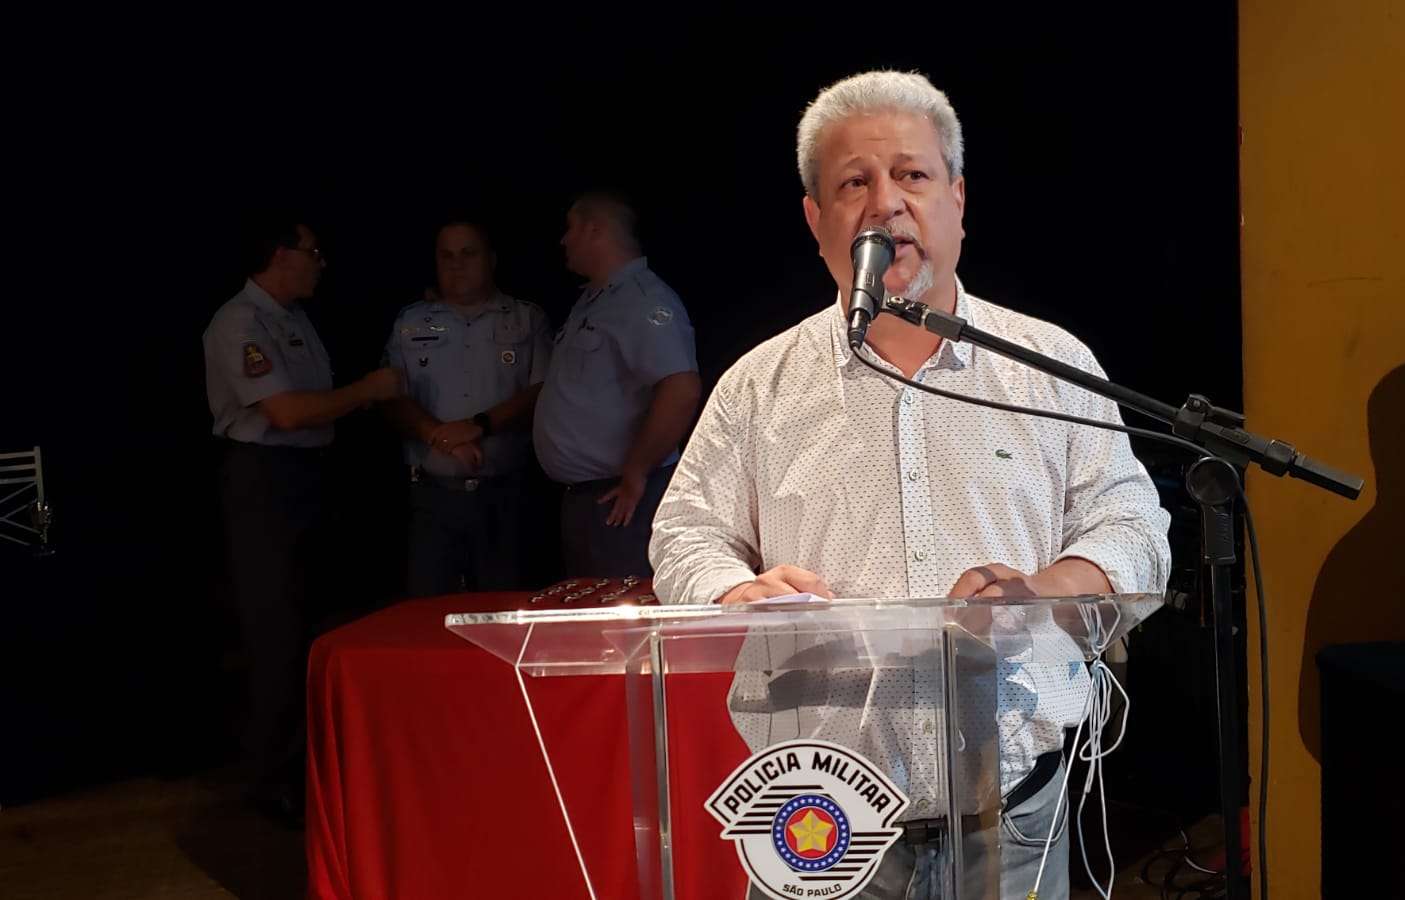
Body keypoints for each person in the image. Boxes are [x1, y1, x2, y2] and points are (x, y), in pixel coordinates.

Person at [647, 70, 1172, 898]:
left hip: (1011, 817)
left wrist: (1043, 591)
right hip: (817, 821)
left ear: (957, 200)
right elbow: (684, 532)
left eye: (912, 175)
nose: (885, 204)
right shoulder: (759, 385)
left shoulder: (1050, 365)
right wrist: (734, 591)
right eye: (853, 183)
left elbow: (1134, 527)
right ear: (816, 220)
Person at [202, 216, 402, 826]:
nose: (321, 262)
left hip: (306, 478)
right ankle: (273, 783)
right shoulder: (241, 322)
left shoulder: (294, 320)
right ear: (280, 254)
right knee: (277, 635)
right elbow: (286, 412)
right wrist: (367, 390)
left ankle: (306, 772)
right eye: (312, 251)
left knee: (310, 627)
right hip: (265, 481)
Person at [379, 219, 554, 597]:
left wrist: (480, 425)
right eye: (446, 256)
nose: (457, 265)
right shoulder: (410, 322)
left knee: (506, 609)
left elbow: (543, 393)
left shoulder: (527, 319)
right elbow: (391, 397)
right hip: (433, 497)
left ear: (491, 259)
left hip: (506, 494)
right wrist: (440, 437)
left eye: (468, 254)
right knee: (428, 612)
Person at [532, 190, 701, 578]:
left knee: (621, 610)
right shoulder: (593, 301)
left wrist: (636, 473)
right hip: (588, 498)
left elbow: (681, 388)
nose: (563, 240)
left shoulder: (643, 301)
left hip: (623, 499)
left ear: (595, 230)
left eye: (571, 228)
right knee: (589, 608)